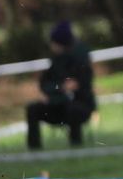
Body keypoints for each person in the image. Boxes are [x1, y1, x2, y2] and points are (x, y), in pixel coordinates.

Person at [26, 21, 95, 150]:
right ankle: (34, 149)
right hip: (56, 107)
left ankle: (76, 146)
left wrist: (54, 95)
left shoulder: (81, 63)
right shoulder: (55, 62)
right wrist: (60, 87)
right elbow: (45, 85)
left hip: (79, 107)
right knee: (33, 109)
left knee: (73, 109)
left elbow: (81, 91)